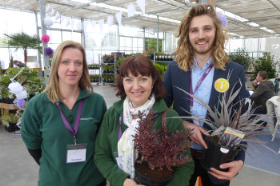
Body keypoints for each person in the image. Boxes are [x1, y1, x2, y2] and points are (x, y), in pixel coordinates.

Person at [163, 4, 246, 186]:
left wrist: (239, 158)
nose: (201, 35)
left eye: (207, 28)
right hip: (181, 157)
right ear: (187, 35)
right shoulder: (174, 70)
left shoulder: (234, 71)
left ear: (216, 32)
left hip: (219, 160)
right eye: (194, 30)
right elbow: (159, 108)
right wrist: (182, 124)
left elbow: (242, 116)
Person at [94, 54, 194, 186]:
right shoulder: (112, 114)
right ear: (122, 82)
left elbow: (185, 165)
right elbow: (101, 155)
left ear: (153, 81)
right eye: (129, 80)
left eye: (143, 79)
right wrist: (123, 181)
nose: (136, 87)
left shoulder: (169, 118)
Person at [20, 40, 107, 186]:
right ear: (56, 66)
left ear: (83, 68)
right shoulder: (37, 105)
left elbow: (102, 144)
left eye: (78, 63)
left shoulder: (96, 102)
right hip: (53, 182)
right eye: (65, 62)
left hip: (93, 181)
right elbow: (33, 146)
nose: (72, 68)